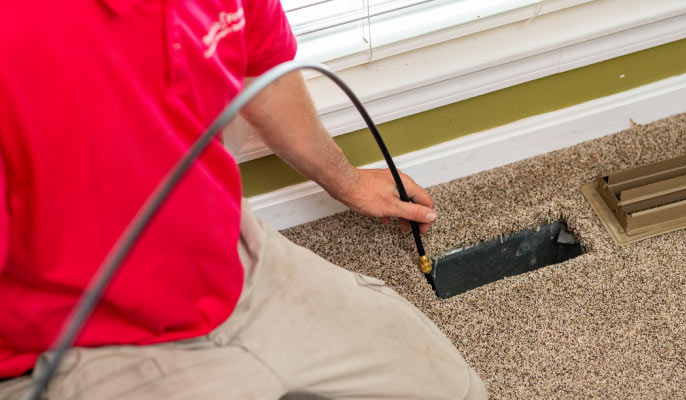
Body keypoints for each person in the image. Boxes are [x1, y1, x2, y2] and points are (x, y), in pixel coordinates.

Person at [0, 0, 487, 399]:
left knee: (456, 391)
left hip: (238, 264)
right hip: (82, 345)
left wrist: (348, 181)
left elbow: (260, 66)